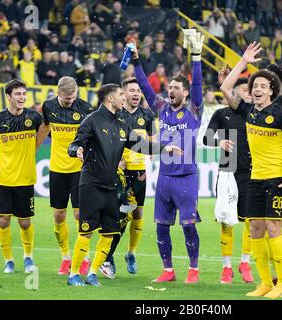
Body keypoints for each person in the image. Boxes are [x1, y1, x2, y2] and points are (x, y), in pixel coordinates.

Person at [66, 83, 181, 287]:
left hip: (111, 186)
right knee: (86, 231)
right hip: (91, 184)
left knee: (110, 231)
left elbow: (142, 145)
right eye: (120, 94)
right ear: (110, 99)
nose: (123, 97)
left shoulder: (121, 124)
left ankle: (92, 273)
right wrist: (77, 150)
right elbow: (75, 143)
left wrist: (165, 148)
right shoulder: (91, 120)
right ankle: (74, 274)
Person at [220, 42, 282, 299]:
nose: (256, 89)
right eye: (254, 86)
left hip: (278, 177)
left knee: (274, 227)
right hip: (256, 177)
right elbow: (225, 87)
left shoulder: (281, 114)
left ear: (272, 91)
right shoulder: (248, 112)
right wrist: (243, 61)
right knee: (255, 228)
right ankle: (265, 282)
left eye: (262, 86)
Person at [131, 30, 205, 284]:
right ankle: (168, 270)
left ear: (184, 93)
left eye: (176, 88)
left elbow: (197, 85)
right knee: (161, 225)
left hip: (186, 177)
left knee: (188, 224)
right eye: (169, 87)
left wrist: (196, 58)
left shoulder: (194, 109)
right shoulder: (161, 109)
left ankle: (193, 270)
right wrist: (137, 61)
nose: (170, 90)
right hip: (164, 177)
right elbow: (143, 86)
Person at [0, 79, 43, 274]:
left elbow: (48, 133)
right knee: (3, 220)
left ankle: (28, 257)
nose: (22, 97)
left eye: (24, 94)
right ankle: (8, 260)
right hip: (3, 178)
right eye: (18, 94)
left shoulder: (34, 118)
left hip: (25, 178)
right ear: (9, 96)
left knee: (25, 221)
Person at [37, 77, 94, 276]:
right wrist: (32, 150)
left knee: (80, 214)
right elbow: (44, 128)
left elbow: (93, 136)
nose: (70, 100)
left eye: (73, 97)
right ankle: (65, 257)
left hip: (80, 169)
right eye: (67, 98)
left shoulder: (86, 109)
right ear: (58, 93)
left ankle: (84, 257)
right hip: (57, 169)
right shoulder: (48, 106)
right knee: (59, 214)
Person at [99, 77, 156, 278]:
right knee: (118, 217)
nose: (136, 94)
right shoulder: (116, 113)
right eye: (131, 90)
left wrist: (151, 153)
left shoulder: (148, 115)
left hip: (139, 171)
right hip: (119, 172)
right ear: (123, 93)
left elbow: (152, 140)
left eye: (138, 90)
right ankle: (108, 256)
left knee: (138, 214)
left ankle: (130, 253)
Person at [203, 73, 254, 284]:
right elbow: (206, 138)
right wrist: (219, 143)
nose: (248, 94)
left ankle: (245, 262)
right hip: (227, 171)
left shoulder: (254, 115)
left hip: (251, 172)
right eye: (244, 90)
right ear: (235, 93)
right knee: (226, 220)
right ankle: (226, 268)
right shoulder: (221, 114)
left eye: (249, 91)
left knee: (251, 220)